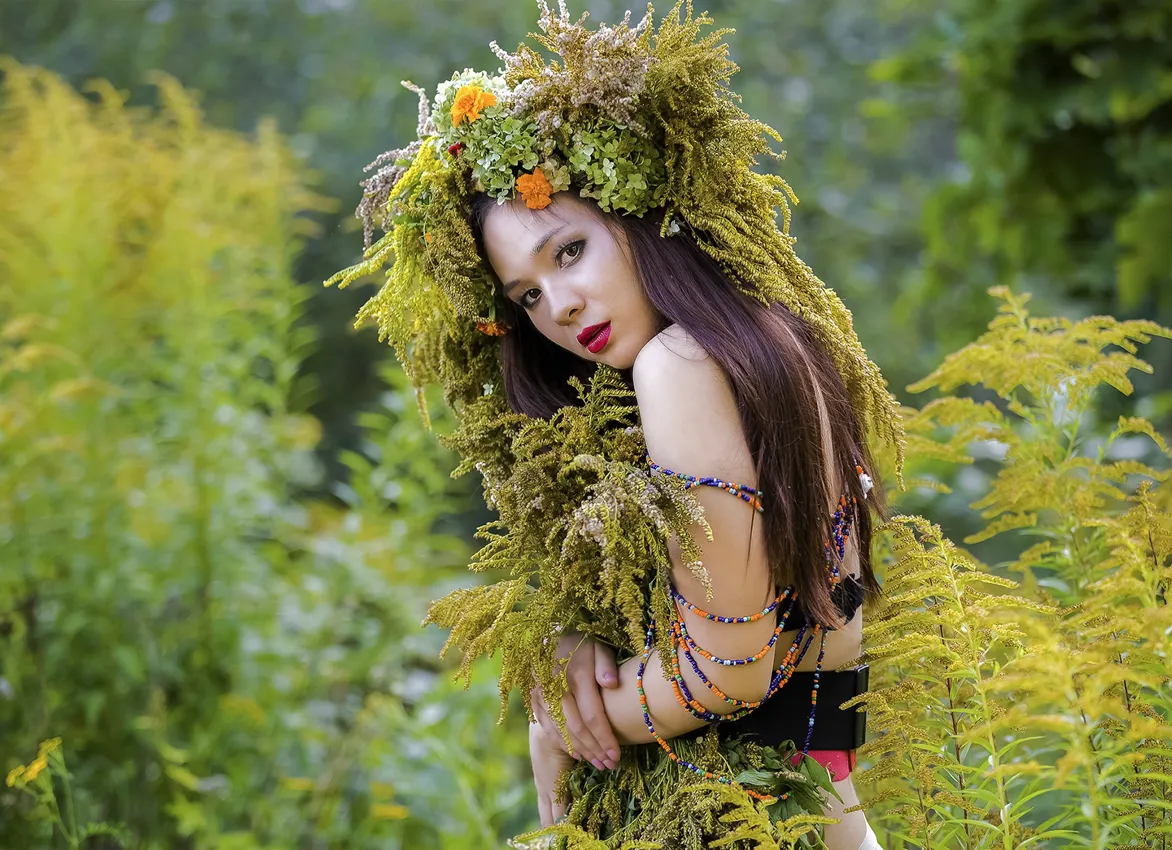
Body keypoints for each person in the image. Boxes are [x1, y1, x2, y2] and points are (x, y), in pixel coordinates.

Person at [327, 3, 904, 847]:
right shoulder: (767, 342)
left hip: (752, 822)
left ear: (632, 217)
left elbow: (731, 675)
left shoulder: (679, 368)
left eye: (568, 251)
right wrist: (572, 639)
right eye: (525, 296)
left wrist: (569, 720)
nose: (558, 305)